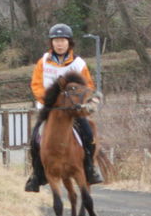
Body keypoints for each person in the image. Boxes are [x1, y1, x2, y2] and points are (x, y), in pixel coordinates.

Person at [24, 24, 103, 191]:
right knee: (35, 138)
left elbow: (88, 86)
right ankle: (36, 174)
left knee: (88, 133)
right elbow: (36, 84)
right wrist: (48, 100)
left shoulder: (78, 63)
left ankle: (91, 168)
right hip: (49, 110)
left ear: (69, 42)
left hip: (72, 109)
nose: (59, 44)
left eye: (63, 40)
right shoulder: (43, 62)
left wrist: (83, 102)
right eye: (56, 41)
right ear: (51, 43)